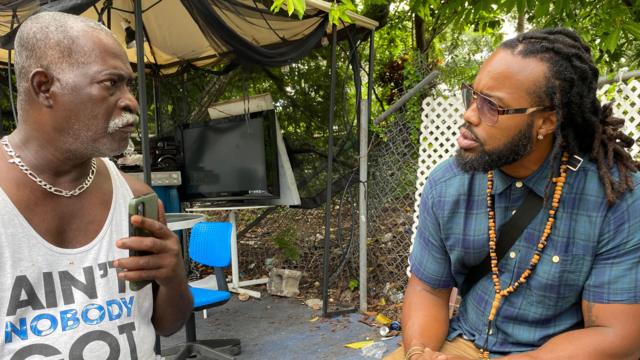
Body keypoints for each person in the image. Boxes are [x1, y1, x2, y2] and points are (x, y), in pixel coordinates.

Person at [386, 28, 640, 360]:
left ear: (546, 123)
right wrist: (419, 352)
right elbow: (428, 290)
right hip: (463, 343)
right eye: (472, 95)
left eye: (491, 106)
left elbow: (616, 334)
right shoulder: (446, 184)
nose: (469, 114)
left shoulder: (615, 198)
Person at [0, 12, 192, 359]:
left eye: (129, 85)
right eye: (110, 83)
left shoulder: (137, 199)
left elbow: (167, 324)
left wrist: (173, 275)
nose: (131, 102)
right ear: (44, 87)